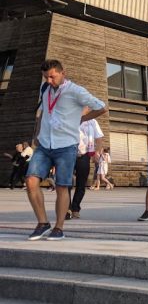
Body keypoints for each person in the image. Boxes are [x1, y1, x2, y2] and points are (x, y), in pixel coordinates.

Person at [25, 59, 107, 241]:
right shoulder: (44, 88)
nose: (48, 81)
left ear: (63, 73)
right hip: (45, 143)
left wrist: (82, 119)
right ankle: (42, 223)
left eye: (52, 77)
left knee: (62, 186)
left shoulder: (76, 91)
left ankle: (59, 228)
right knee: (31, 181)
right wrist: (37, 134)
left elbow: (101, 107)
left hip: (66, 145)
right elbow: (43, 113)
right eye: (46, 77)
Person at [67, 118, 103, 219]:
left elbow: (99, 137)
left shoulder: (92, 121)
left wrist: (97, 152)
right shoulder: (70, 115)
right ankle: (67, 208)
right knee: (66, 183)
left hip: (84, 155)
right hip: (68, 154)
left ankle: (75, 208)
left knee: (81, 183)